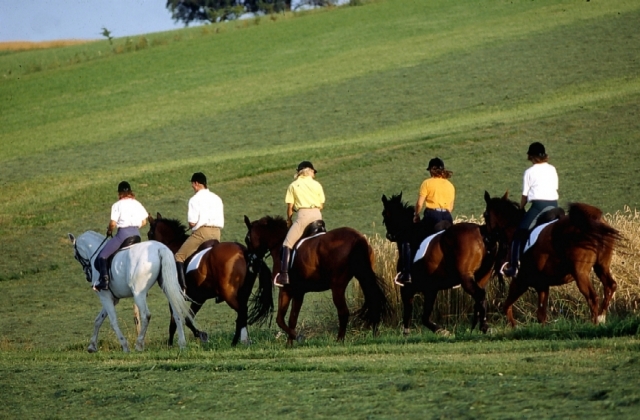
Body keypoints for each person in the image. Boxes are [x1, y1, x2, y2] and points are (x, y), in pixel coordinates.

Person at [502, 142, 558, 277]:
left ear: (531, 156)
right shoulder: (552, 169)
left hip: (539, 206)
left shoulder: (529, 172)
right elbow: (555, 187)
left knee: (518, 234)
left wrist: (521, 208)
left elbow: (525, 196)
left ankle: (514, 267)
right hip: (555, 205)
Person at [396, 157, 455, 285]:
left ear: (432, 171)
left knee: (407, 241)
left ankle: (406, 274)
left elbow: (419, 204)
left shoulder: (427, 183)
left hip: (433, 217)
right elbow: (450, 207)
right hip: (447, 218)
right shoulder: (450, 185)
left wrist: (416, 215)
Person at [275, 161, 325, 287]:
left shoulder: (293, 185)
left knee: (287, 243)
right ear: (308, 171)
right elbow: (321, 205)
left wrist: (289, 220)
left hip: (303, 216)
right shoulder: (317, 185)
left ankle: (284, 275)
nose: (314, 173)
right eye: (313, 171)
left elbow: (290, 207)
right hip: (318, 217)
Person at [95, 181, 149, 291]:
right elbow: (144, 221)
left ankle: (104, 281)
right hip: (137, 235)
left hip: (123, 235)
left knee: (102, 256)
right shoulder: (137, 203)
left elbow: (113, 223)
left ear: (119, 193)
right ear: (130, 192)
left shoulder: (117, 205)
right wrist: (134, 227)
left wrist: (109, 230)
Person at [174, 172, 224, 288]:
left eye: (192, 184)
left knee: (179, 256)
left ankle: (183, 288)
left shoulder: (194, 199)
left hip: (202, 233)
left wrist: (191, 226)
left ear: (196, 183)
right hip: (216, 233)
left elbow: (192, 222)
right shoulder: (217, 198)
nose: (192, 187)